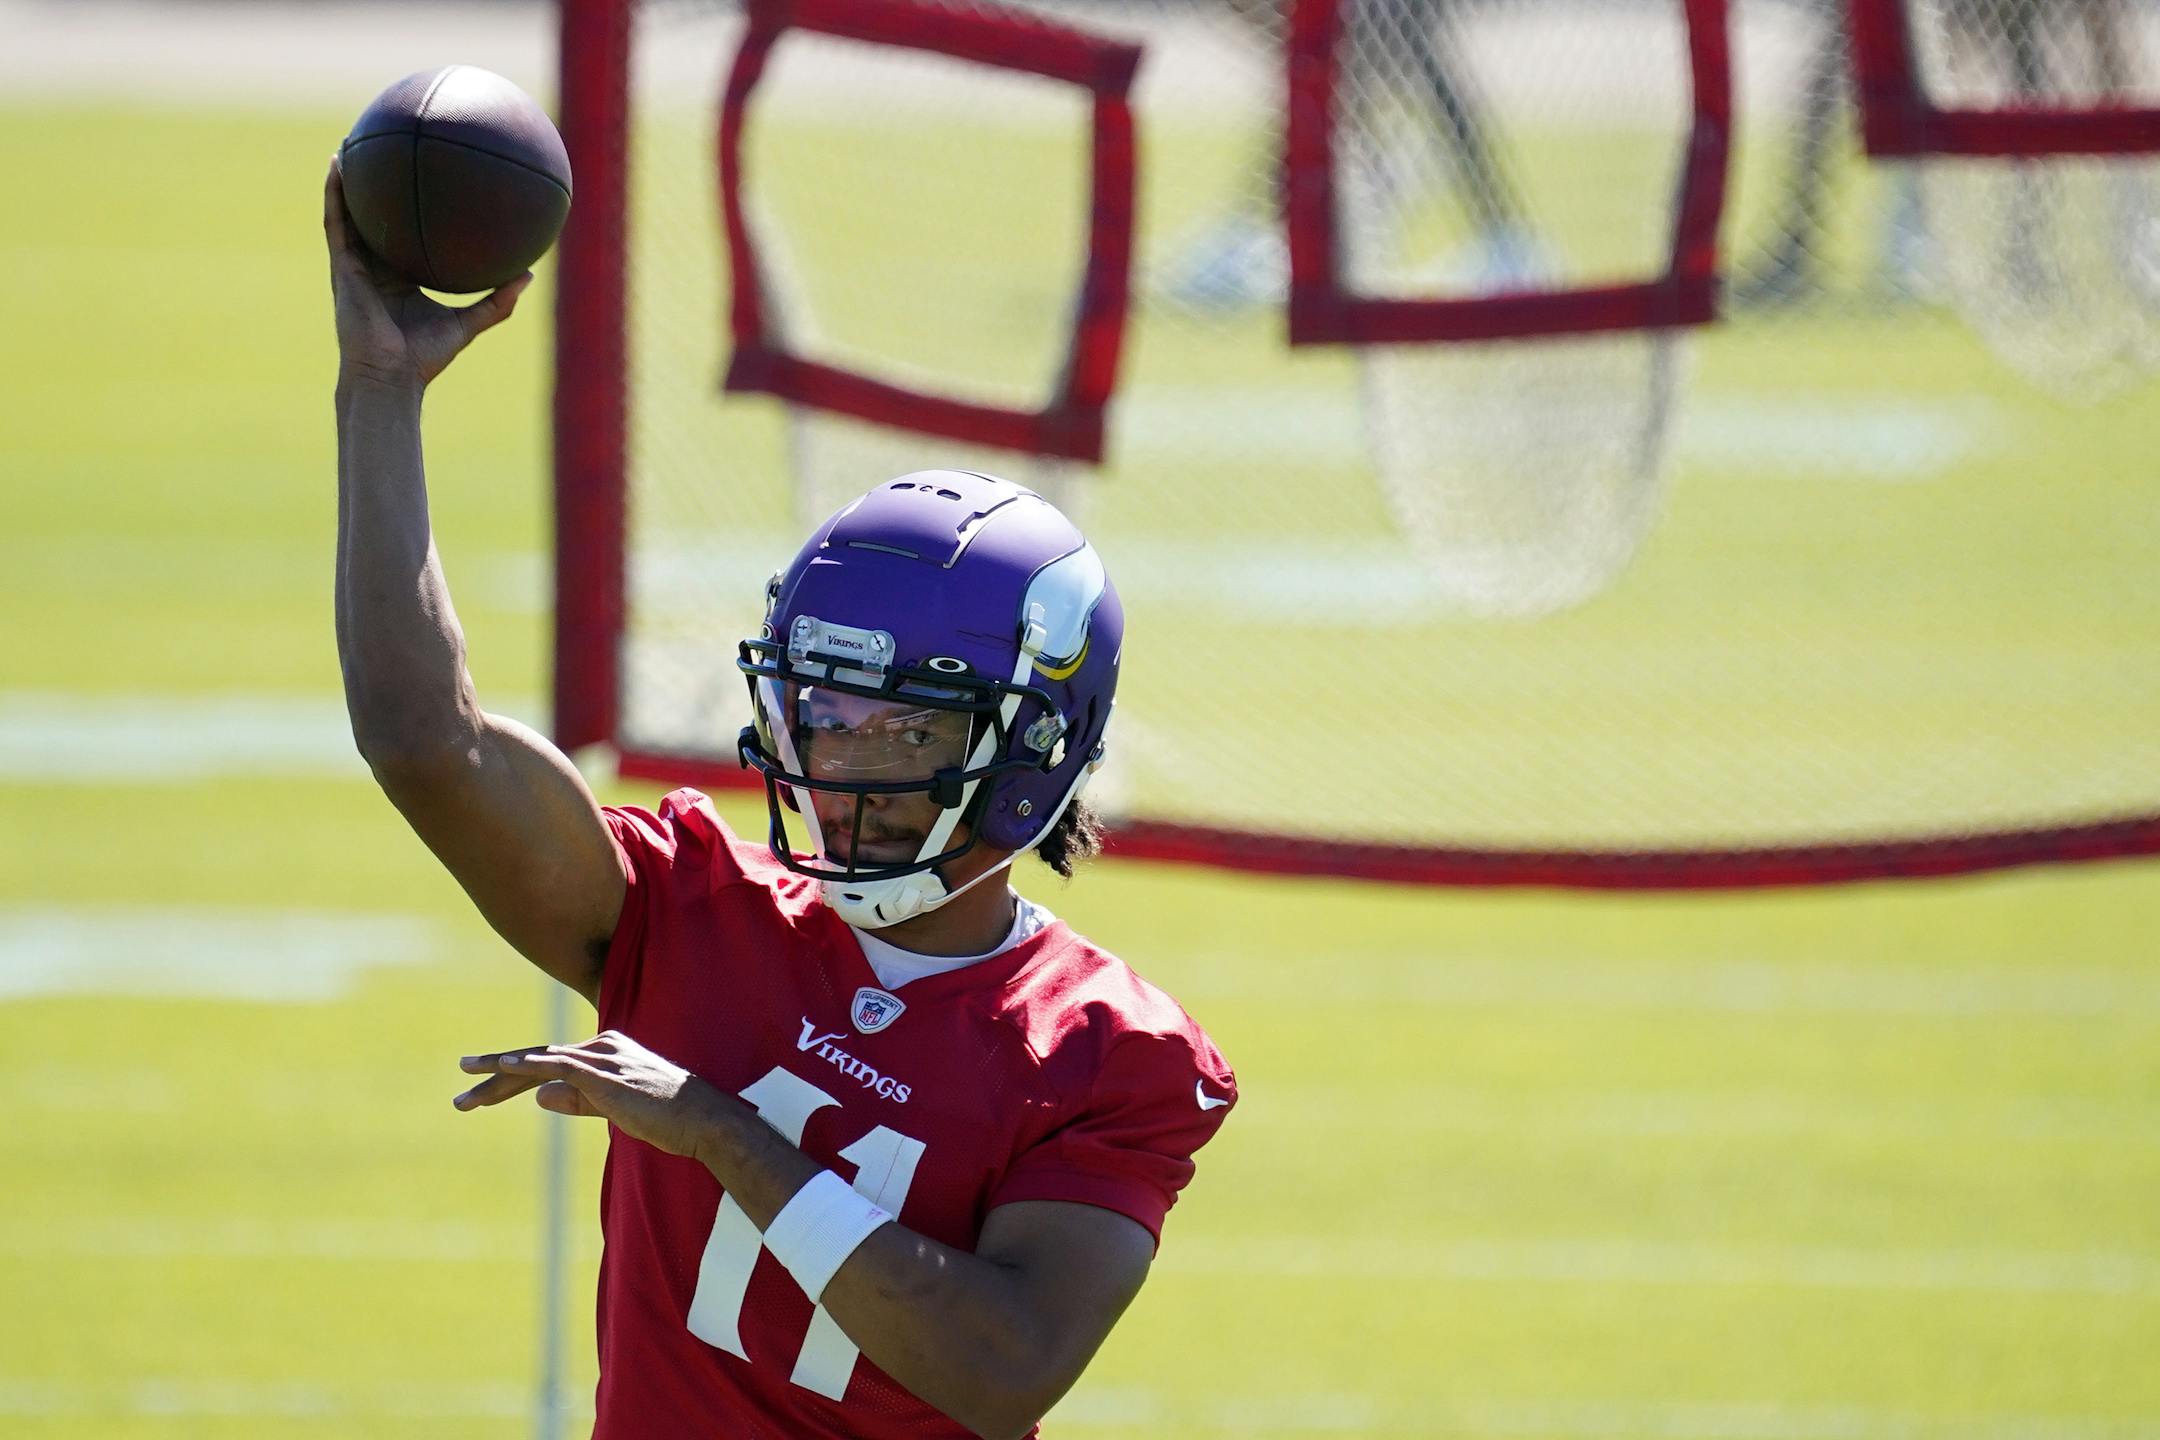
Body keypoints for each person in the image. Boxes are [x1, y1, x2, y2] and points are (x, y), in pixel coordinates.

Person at [324, 158, 1236, 1440]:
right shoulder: (689, 905)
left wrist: (720, 1131)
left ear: (1034, 748)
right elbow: (426, 741)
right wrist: (380, 391)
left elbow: (1004, 1367)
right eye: (821, 708)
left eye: (902, 724)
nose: (840, 760)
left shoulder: (1104, 1052)